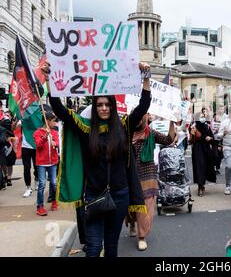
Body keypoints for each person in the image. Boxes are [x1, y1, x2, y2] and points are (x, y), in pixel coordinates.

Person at [42, 61, 150, 257]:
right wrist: (50, 79)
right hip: (93, 197)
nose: (103, 108)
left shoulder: (124, 126)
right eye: (99, 104)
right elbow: (59, 110)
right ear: (95, 106)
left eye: (107, 104)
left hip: (119, 196)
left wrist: (146, 77)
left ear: (113, 106)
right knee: (92, 248)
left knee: (111, 248)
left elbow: (143, 107)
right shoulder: (85, 129)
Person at [127, 115, 176, 251]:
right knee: (130, 203)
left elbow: (168, 140)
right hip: (130, 175)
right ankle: (132, 223)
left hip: (148, 175)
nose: (137, 120)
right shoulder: (126, 132)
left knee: (146, 206)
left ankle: (142, 236)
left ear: (145, 118)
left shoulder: (151, 133)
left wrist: (171, 121)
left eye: (140, 117)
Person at [33, 111, 59, 216]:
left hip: (53, 162)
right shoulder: (37, 132)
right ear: (47, 121)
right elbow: (38, 145)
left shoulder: (54, 132)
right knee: (42, 184)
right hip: (42, 163)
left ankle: (54, 201)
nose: (55, 123)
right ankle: (40, 206)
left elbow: (57, 143)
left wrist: (55, 144)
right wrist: (45, 137)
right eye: (53, 121)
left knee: (53, 183)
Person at [190, 120, 216, 196]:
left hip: (206, 150)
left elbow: (212, 139)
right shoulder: (193, 127)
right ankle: (200, 187)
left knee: (204, 168)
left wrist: (209, 138)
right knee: (198, 168)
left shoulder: (207, 127)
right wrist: (192, 135)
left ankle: (202, 183)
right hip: (197, 150)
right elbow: (190, 141)